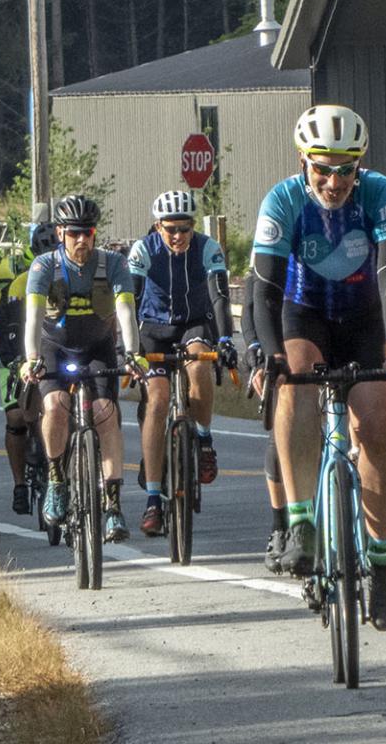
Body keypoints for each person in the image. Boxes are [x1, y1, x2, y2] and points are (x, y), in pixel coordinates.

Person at [251, 104, 386, 632]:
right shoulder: (283, 200)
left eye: (347, 168)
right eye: (323, 166)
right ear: (304, 160)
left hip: (366, 317)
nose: (335, 180)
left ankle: (381, 562)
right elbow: (266, 289)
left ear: (360, 166)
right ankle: (299, 523)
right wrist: (270, 355)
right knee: (294, 386)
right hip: (305, 313)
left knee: (381, 418)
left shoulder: (381, 195)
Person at [18, 195, 147, 543]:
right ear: (61, 233)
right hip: (54, 348)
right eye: (73, 233)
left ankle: (113, 506)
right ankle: (57, 480)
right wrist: (32, 359)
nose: (81, 240)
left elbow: (125, 313)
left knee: (106, 413)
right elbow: (32, 318)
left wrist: (133, 353)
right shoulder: (44, 266)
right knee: (56, 406)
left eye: (87, 232)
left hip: (98, 347)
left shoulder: (113, 264)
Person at [127, 189, 236, 537]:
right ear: (157, 226)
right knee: (157, 401)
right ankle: (153, 501)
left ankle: (203, 441)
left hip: (193, 321)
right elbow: (129, 300)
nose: (178, 236)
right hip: (153, 328)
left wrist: (226, 340)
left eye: (184, 229)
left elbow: (219, 297)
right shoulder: (143, 250)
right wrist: (127, 347)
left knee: (200, 365)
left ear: (193, 227)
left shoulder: (208, 248)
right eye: (170, 229)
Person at [0, 221, 57, 514]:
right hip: (19, 357)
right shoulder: (18, 285)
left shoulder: (74, 278)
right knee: (17, 418)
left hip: (55, 357)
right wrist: (17, 362)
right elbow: (7, 332)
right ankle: (19, 484)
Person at [240, 267, 289, 574]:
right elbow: (252, 311)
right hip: (279, 345)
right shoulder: (274, 239)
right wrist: (258, 358)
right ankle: (280, 525)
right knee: (282, 432)